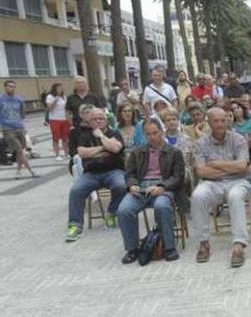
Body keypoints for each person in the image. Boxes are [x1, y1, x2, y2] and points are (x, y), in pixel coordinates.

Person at [117, 118, 184, 264]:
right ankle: (132, 249)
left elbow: (178, 177)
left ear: (161, 131)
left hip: (163, 187)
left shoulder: (174, 152)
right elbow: (130, 174)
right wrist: (132, 185)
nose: (152, 137)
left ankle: (169, 247)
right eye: (148, 134)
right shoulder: (137, 152)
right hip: (141, 187)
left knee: (162, 206)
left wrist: (163, 187)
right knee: (124, 210)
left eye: (155, 133)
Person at [191, 107, 251, 267]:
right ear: (208, 123)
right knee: (198, 195)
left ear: (228, 121)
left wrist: (216, 164)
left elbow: (242, 167)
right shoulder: (201, 143)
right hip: (211, 183)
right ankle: (204, 242)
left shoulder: (238, 139)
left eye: (223, 120)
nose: (220, 124)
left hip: (238, 181)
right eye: (216, 121)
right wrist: (229, 168)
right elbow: (201, 170)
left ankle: (239, 245)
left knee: (235, 196)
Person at [65, 108, 127, 241]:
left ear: (106, 120)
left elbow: (116, 148)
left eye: (101, 118)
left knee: (121, 185)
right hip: (92, 173)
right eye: (95, 119)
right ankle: (75, 225)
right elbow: (82, 152)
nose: (98, 121)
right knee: (76, 190)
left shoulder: (114, 132)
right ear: (89, 121)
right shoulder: (84, 136)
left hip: (114, 171)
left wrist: (100, 136)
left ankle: (112, 213)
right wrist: (103, 148)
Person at [1, 80, 36, 178]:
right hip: (8, 129)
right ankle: (31, 171)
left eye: (13, 86)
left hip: (19, 127)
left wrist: (23, 126)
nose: (11, 88)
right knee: (20, 150)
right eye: (9, 86)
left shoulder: (19, 99)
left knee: (20, 151)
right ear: (5, 87)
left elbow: (23, 114)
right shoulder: (1, 99)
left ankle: (18, 171)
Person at [46, 83, 70, 163]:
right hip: (54, 119)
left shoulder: (64, 97)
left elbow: (66, 109)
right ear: (55, 89)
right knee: (56, 138)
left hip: (64, 119)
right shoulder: (50, 97)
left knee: (65, 138)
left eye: (62, 88)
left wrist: (68, 119)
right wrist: (55, 101)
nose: (61, 89)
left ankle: (66, 153)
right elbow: (49, 109)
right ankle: (57, 154)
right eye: (59, 88)